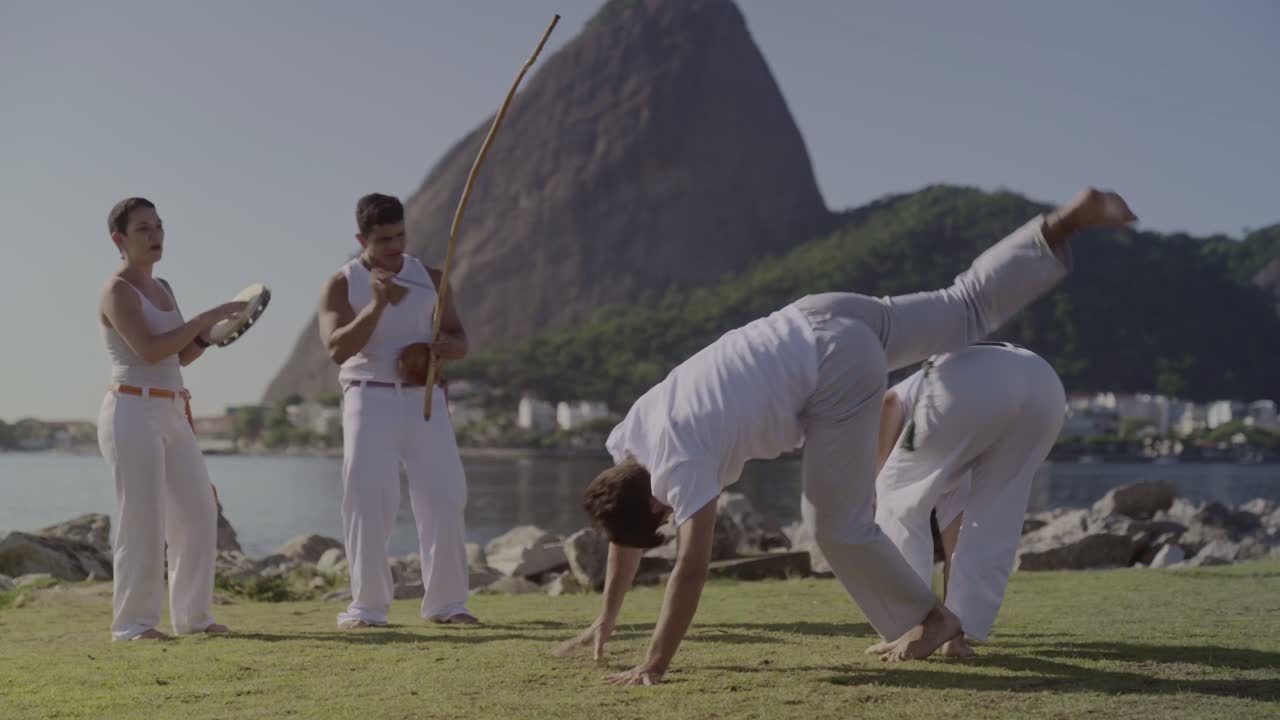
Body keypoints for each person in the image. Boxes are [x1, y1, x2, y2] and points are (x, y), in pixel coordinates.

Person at [553, 188, 1137, 684]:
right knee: (964, 309)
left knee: (835, 526)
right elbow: (622, 531)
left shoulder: (677, 465)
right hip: (818, 315)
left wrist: (654, 665)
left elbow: (692, 565)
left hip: (832, 370)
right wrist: (607, 619)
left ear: (658, 501)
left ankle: (929, 619)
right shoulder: (631, 433)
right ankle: (1061, 225)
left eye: (660, 517)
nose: (664, 518)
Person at [317, 193, 478, 629]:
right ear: (361, 238)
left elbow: (460, 338)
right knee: (369, 499)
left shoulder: (431, 277)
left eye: (400, 235)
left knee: (445, 496)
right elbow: (337, 348)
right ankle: (368, 609)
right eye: (384, 239)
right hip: (368, 396)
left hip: (425, 396)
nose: (394, 246)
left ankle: (448, 605)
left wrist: (449, 349)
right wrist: (378, 304)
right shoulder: (342, 282)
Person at [97, 197, 244, 641]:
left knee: (199, 510)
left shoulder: (166, 289)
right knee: (142, 518)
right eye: (143, 228)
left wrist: (210, 336)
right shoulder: (116, 289)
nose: (156, 235)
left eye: (159, 226)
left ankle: (193, 618)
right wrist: (206, 318)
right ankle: (133, 625)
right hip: (130, 409)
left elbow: (178, 355)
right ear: (119, 239)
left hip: (171, 408)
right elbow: (148, 349)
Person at [869, 342, 1066, 658]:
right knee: (993, 514)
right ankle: (954, 635)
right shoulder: (954, 450)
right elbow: (956, 536)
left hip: (973, 383)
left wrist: (874, 485)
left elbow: (889, 402)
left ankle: (909, 626)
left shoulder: (909, 403)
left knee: (894, 495)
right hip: (1045, 385)